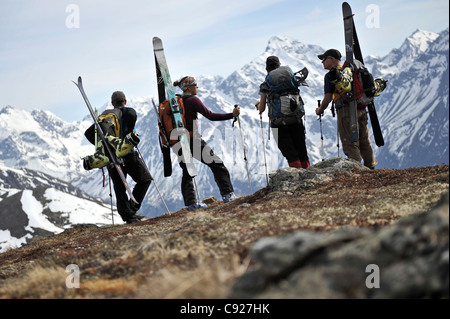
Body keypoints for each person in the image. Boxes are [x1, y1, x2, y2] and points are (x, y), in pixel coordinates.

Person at [173, 76, 239, 210]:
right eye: (195, 85)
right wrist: (232, 115)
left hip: (178, 141)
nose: (197, 87)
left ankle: (191, 204)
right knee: (217, 164)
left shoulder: (175, 102)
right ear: (189, 87)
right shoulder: (192, 100)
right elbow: (211, 115)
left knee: (187, 172)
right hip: (193, 140)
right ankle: (228, 195)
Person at [315, 49, 377, 169]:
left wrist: (320, 109)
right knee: (364, 139)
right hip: (361, 108)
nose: (322, 62)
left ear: (332, 59)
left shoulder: (332, 75)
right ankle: (371, 167)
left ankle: (356, 170)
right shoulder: (350, 71)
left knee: (349, 142)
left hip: (345, 111)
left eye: (324, 59)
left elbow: (328, 98)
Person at [107, 91, 152, 223]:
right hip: (128, 154)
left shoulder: (105, 118)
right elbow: (132, 133)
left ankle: (128, 215)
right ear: (125, 101)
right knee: (145, 179)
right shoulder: (129, 113)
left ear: (112, 103)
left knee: (119, 187)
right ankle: (131, 211)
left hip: (111, 157)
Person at [258, 56, 310, 169]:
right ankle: (308, 175)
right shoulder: (291, 79)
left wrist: (260, 105)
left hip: (278, 123)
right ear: (279, 65)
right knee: (301, 149)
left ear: (267, 68)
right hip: (295, 118)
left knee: (290, 154)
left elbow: (261, 109)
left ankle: (297, 178)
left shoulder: (265, 85)